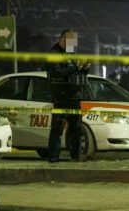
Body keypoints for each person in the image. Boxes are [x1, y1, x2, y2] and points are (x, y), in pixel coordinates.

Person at [46, 29, 90, 163]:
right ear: (63, 39)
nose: (72, 46)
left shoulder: (71, 54)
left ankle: (76, 156)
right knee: (58, 128)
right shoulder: (53, 53)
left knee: (76, 128)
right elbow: (58, 72)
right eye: (71, 42)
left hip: (74, 95)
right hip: (61, 96)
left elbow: (76, 74)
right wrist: (76, 67)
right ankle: (53, 157)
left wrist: (84, 69)